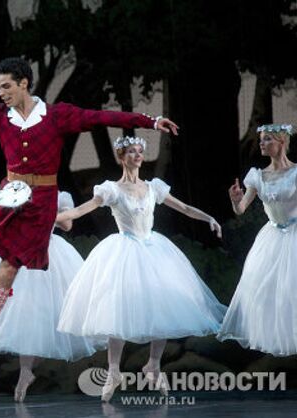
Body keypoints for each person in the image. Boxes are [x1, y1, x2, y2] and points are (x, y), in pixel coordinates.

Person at [0, 22, 180, 375]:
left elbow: (102, 117)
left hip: (39, 203)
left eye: (7, 86)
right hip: (6, 194)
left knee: (8, 268)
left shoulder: (57, 116)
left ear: (24, 83)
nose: (1, 93)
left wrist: (149, 120)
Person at [56, 136, 227, 401]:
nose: (137, 155)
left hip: (154, 250)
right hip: (124, 252)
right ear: (121, 157)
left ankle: (153, 364)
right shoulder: (111, 189)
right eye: (132, 152)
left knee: (163, 307)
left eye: (140, 151)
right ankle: (113, 370)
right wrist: (52, 218)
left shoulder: (153, 188)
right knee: (118, 310)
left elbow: (182, 207)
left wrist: (209, 218)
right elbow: (80, 211)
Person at [0, 191, 96, 402]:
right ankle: (25, 370)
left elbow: (67, 226)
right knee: (25, 311)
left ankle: (28, 368)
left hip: (51, 253)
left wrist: (52, 214)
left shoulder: (61, 196)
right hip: (22, 251)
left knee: (52, 311)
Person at [218, 124, 297, 355]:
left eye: (267, 139)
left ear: (281, 141)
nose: (262, 143)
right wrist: (235, 200)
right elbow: (241, 209)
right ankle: (277, 340)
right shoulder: (257, 176)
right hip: (272, 237)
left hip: (295, 234)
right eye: (261, 139)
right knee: (267, 291)